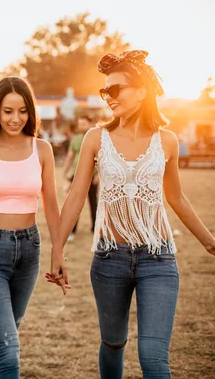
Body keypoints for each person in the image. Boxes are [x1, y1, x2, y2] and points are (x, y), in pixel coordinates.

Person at [48, 50, 215, 378]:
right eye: (104, 91)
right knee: (113, 345)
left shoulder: (166, 141)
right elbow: (76, 195)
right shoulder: (96, 138)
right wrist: (58, 248)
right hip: (109, 259)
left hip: (159, 259)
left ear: (142, 91)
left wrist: (210, 243)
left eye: (116, 89)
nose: (108, 97)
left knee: (153, 359)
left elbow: (177, 198)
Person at [0, 77, 61, 378]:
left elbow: (52, 204)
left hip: (29, 250)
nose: (15, 118)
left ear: (31, 112)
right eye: (7, 111)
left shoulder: (41, 149)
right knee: (8, 349)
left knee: (3, 345)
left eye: (22, 111)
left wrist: (58, 252)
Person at [62, 114, 99, 241]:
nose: (81, 126)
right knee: (74, 203)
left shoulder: (95, 138)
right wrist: (65, 172)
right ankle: (72, 230)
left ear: (89, 124)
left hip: (92, 176)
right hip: (76, 175)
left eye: (84, 123)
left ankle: (95, 228)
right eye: (80, 123)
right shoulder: (76, 139)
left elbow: (101, 158)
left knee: (93, 202)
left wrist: (98, 175)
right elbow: (70, 155)